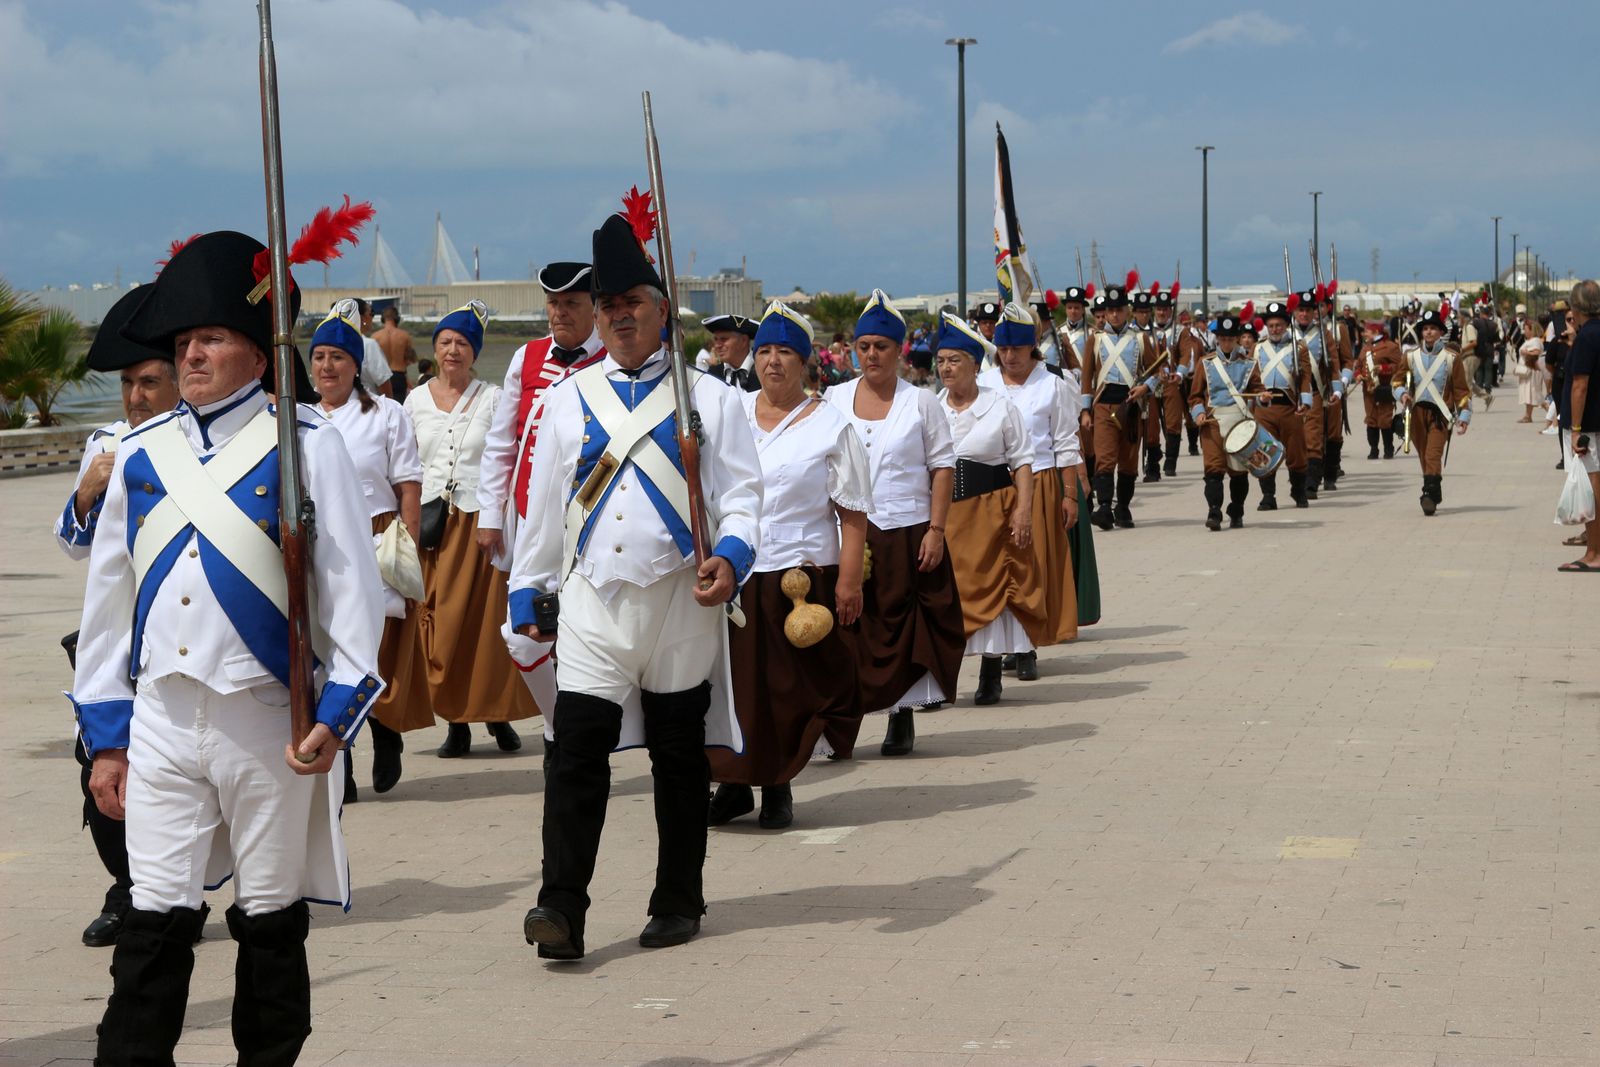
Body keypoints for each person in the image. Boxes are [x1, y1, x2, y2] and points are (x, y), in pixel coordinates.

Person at [71, 229, 384, 1066]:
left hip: (267, 720)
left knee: (272, 921)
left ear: (257, 348)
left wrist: (338, 714)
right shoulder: (138, 455)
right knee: (152, 919)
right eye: (182, 342)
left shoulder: (310, 444)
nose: (192, 354)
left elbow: (355, 598)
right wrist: (107, 737)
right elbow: (107, 613)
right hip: (163, 720)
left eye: (209, 338)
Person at [510, 205, 762, 960]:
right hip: (592, 599)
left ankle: (679, 897)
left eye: (634, 306)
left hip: (682, 598)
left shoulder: (710, 397)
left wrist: (734, 555)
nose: (621, 319)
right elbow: (542, 505)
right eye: (610, 309)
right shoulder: (564, 399)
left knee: (679, 757)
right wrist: (527, 586)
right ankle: (561, 906)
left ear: (661, 309)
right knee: (575, 753)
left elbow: (746, 495)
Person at [707, 301, 869, 829]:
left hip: (798, 576)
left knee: (784, 688)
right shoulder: (729, 412)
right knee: (730, 686)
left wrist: (848, 581)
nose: (773, 362)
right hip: (736, 568)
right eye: (766, 352)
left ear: (806, 362)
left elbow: (853, 515)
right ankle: (731, 785)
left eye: (786, 353)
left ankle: (777, 785)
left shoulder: (830, 425)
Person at [55, 284, 182, 950]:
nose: (136, 395)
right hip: (113, 637)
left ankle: (166, 893)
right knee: (98, 768)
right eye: (129, 382)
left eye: (150, 381)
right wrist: (85, 493)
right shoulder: (106, 443)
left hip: (182, 634)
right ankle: (127, 886)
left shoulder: (196, 448)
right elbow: (74, 540)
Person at [372, 301, 537, 787]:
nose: (451, 351)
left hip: (476, 521)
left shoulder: (492, 398)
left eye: (462, 344)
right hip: (425, 525)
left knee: (480, 624)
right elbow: (396, 461)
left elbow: (506, 458)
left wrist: (501, 520)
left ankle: (490, 714)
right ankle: (455, 717)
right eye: (445, 342)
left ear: (474, 353)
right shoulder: (413, 402)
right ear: (434, 349)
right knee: (434, 621)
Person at [826, 290, 962, 757]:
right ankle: (837, 728)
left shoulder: (921, 402)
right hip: (846, 534)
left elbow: (942, 466)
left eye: (881, 347)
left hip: (905, 529)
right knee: (844, 632)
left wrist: (937, 530)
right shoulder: (833, 398)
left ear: (899, 350)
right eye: (863, 347)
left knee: (896, 628)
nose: (871, 355)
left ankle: (899, 715)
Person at [308, 300, 423, 796]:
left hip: (375, 543)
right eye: (319, 357)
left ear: (356, 365)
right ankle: (344, 767)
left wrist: (410, 550)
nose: (327, 366)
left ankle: (385, 730)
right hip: (317, 549)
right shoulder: (297, 419)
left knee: (372, 648)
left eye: (338, 356)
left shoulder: (386, 415)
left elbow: (410, 487)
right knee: (325, 650)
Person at [977, 302, 1081, 682]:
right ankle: (994, 650)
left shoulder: (1053, 383)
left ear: (1032, 346)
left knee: (1031, 566)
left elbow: (1065, 442)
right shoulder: (984, 383)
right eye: (1003, 350)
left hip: (1038, 482)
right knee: (993, 569)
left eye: (1017, 350)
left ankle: (1026, 647)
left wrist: (1069, 495)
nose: (1009, 357)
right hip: (990, 486)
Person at [938, 313, 1034, 705]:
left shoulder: (1000, 406)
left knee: (991, 590)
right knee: (944, 595)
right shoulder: (929, 406)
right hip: (943, 516)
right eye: (941, 360)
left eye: (955, 360)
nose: (946, 368)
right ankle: (939, 679)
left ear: (976, 366)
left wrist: (1023, 511)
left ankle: (991, 670)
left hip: (989, 511)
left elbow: (1023, 461)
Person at [1080, 272, 1159, 529]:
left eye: (1119, 310)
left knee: (1127, 461)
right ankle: (1104, 507)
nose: (1114, 315)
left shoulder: (1139, 339)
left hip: (1131, 407)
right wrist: (1085, 411)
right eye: (1110, 311)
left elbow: (1157, 372)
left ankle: (1123, 507)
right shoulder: (1096, 339)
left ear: (1127, 311)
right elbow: (1087, 377)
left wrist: (1145, 388)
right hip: (1103, 405)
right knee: (1104, 458)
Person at [1188, 311, 1263, 529]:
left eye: (1231, 339)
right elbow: (1194, 396)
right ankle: (1214, 512)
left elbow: (1257, 389)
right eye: (1223, 339)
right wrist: (1199, 413)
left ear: (1237, 339)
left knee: (1239, 473)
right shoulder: (1206, 363)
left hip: (1240, 424)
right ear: (1217, 339)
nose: (1227, 343)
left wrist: (1263, 396)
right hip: (1213, 423)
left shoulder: (1249, 364)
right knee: (1213, 471)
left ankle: (1237, 510)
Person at [1392, 309, 1471, 516]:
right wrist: (1402, 394)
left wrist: (1464, 416)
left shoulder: (1451, 358)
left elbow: (1462, 391)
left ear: (1440, 332)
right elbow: (1397, 381)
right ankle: (1434, 490)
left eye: (1433, 329)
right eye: (1425, 329)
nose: (1428, 333)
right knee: (1424, 457)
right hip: (1416, 413)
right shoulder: (1410, 356)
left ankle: (1428, 493)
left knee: (1433, 454)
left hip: (1440, 415)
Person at [1249, 299, 1313, 510]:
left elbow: (1305, 377)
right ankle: (1268, 495)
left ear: (1286, 325)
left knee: (1296, 453)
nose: (1275, 329)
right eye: (1271, 325)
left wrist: (1305, 401)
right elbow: (1251, 379)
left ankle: (1298, 491)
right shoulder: (1258, 349)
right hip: (1264, 408)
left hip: (1290, 407)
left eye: (1279, 325)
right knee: (1264, 452)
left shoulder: (1298, 348)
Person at [1559, 280, 1600, 571]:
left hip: (1589, 425)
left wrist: (1575, 428)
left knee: (1591, 486)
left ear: (1577, 306)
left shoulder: (1588, 336)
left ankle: (1594, 553)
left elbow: (1580, 385)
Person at [1355, 321, 1404, 458]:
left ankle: (1388, 448)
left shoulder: (1391, 347)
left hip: (1384, 388)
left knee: (1385, 420)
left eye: (1367, 331)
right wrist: (1358, 375)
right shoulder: (1366, 347)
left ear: (1376, 332)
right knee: (1371, 420)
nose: (1365, 334)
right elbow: (1358, 365)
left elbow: (1400, 366)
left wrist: (1384, 368)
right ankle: (1374, 449)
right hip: (1369, 390)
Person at [703, 313, 759, 391]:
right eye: (716, 339)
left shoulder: (762, 372)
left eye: (723, 339)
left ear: (743, 341)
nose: (717, 345)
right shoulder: (714, 374)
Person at [373, 305, 417, 401]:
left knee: (382, 409)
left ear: (382, 319)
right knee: (398, 408)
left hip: (381, 377)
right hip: (399, 376)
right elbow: (411, 359)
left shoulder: (375, 337)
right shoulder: (405, 335)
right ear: (397, 318)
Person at [354, 298, 393, 398]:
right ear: (362, 318)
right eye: (371, 313)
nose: (372, 317)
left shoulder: (334, 343)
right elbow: (383, 383)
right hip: (367, 404)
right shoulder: (368, 344)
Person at [1516, 321, 1545, 423]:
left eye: (1526, 329)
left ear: (1531, 330)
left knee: (1534, 392)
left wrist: (1526, 352)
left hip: (1532, 370)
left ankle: (1550, 412)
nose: (1524, 331)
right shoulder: (1530, 340)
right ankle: (1528, 415)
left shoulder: (1535, 340)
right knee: (1529, 393)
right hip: (1528, 370)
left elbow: (1536, 352)